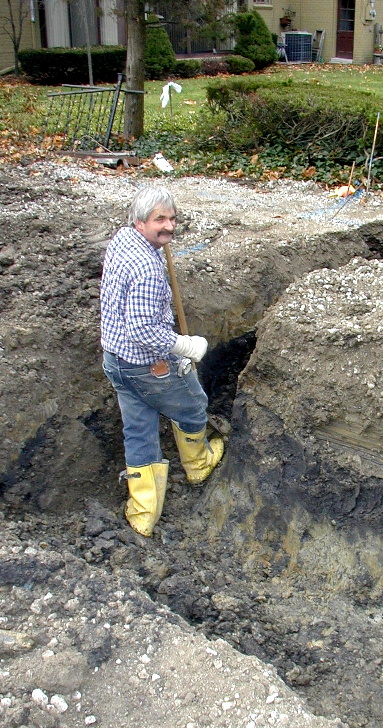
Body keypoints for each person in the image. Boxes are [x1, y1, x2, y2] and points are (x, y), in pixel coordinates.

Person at [100, 185, 224, 537]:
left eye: (172, 218)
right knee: (192, 405)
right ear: (139, 222)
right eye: (159, 220)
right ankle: (198, 465)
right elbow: (142, 329)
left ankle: (143, 514)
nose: (169, 226)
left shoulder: (123, 240)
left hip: (116, 360)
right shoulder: (147, 270)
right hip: (144, 365)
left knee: (138, 431)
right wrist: (183, 346)